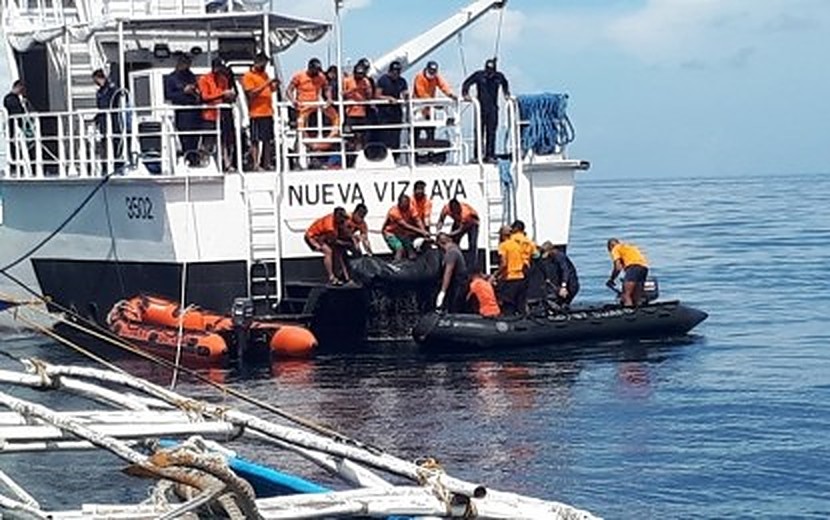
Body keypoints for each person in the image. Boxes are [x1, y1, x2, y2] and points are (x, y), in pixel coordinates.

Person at [462, 58, 510, 163]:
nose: (489, 74)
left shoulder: (499, 76)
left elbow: (505, 84)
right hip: (480, 108)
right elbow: (467, 83)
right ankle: (477, 155)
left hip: (493, 108)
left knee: (491, 132)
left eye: (491, 71)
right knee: (479, 131)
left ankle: (490, 155)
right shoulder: (479, 75)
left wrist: (506, 94)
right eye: (488, 71)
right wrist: (465, 94)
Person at [241, 53, 279, 170]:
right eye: (262, 63)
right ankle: (256, 164)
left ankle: (266, 163)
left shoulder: (265, 75)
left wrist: (274, 86)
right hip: (256, 113)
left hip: (268, 111)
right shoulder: (248, 76)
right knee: (255, 140)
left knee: (268, 139)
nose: (264, 66)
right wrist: (266, 84)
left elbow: (269, 90)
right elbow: (251, 94)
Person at [198, 57, 236, 171]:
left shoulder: (223, 79)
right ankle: (203, 162)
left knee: (224, 140)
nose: (219, 71)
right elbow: (205, 96)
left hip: (222, 114)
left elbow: (226, 95)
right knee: (208, 141)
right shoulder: (204, 79)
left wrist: (230, 96)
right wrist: (222, 94)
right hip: (209, 115)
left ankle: (226, 163)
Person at [164, 54, 202, 166]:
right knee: (185, 138)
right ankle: (187, 159)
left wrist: (196, 92)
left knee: (195, 137)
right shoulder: (172, 78)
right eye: (186, 63)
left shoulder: (191, 76)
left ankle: (194, 159)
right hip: (183, 113)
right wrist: (184, 91)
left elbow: (197, 89)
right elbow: (169, 95)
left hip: (194, 111)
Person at [286, 58, 339, 137]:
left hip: (314, 106)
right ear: (310, 68)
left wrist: (329, 98)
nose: (317, 72)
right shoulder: (299, 76)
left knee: (314, 128)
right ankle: (299, 145)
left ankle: (317, 145)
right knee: (301, 129)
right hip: (302, 107)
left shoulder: (321, 77)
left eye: (318, 70)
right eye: (315, 70)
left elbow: (326, 88)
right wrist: (293, 100)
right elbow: (289, 90)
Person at [412, 60, 456, 144]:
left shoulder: (436, 77)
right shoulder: (419, 77)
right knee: (416, 131)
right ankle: (415, 153)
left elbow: (443, 86)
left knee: (431, 130)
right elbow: (421, 93)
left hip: (429, 109)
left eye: (434, 72)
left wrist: (450, 94)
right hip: (418, 108)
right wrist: (434, 103)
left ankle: (430, 153)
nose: (432, 74)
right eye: (431, 71)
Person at [305, 207, 350, 285]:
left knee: (337, 252)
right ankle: (331, 277)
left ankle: (339, 274)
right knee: (328, 251)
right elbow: (333, 240)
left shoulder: (337, 220)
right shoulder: (330, 227)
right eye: (341, 219)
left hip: (323, 236)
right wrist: (345, 244)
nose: (343, 221)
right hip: (312, 237)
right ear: (336, 217)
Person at [92, 69, 126, 172]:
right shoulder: (99, 92)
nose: (97, 82)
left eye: (97, 80)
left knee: (116, 142)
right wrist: (96, 119)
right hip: (103, 121)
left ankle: (117, 165)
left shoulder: (111, 89)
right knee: (104, 143)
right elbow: (100, 107)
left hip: (113, 120)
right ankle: (105, 166)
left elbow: (116, 98)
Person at [375, 61, 408, 158]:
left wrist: (406, 96)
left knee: (396, 135)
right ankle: (384, 156)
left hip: (396, 112)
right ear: (390, 71)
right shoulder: (383, 80)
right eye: (394, 71)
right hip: (384, 113)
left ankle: (395, 156)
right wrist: (388, 98)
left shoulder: (402, 81)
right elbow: (377, 95)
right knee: (385, 135)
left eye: (398, 72)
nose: (396, 74)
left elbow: (405, 92)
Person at [383, 193, 427, 260]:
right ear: (399, 203)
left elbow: (417, 220)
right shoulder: (393, 212)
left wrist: (424, 231)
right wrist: (421, 231)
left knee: (410, 248)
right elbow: (405, 225)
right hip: (391, 233)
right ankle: (396, 266)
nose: (406, 207)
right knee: (399, 248)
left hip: (402, 233)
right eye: (404, 205)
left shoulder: (410, 208)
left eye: (407, 205)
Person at [437, 198, 480, 268]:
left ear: (459, 208)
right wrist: (438, 230)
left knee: (472, 244)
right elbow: (441, 220)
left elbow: (460, 230)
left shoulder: (465, 213)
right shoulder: (446, 208)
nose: (455, 213)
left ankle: (472, 266)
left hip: (472, 223)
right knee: (453, 241)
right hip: (458, 221)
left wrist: (448, 234)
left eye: (457, 212)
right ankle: (455, 261)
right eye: (453, 212)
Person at [607, 238, 649, 307]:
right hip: (644, 267)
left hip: (633, 267)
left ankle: (628, 314)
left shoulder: (615, 249)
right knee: (637, 296)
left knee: (626, 295)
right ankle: (638, 313)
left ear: (610, 247)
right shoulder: (629, 247)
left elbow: (618, 267)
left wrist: (612, 279)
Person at [342, 62, 374, 151]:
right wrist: (352, 90)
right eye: (358, 74)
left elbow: (369, 96)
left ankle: (360, 151)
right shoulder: (347, 80)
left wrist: (366, 90)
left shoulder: (366, 81)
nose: (359, 76)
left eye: (361, 74)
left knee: (361, 135)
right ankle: (349, 152)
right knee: (349, 135)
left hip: (362, 113)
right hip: (350, 112)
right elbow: (342, 94)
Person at [496, 225, 527, 315]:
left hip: (510, 279)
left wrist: (496, 275)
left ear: (503, 235)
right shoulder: (517, 245)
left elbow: (504, 264)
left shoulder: (503, 246)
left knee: (508, 306)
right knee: (521, 307)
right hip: (521, 278)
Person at [540, 241, 580, 306]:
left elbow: (565, 270)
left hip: (570, 281)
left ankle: (564, 305)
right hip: (562, 280)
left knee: (566, 297)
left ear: (549, 251)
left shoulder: (560, 256)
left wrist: (563, 286)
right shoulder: (551, 257)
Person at [435, 232, 468, 313]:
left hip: (457, 286)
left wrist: (442, 292)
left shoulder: (451, 253)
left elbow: (448, 273)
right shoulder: (456, 249)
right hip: (461, 284)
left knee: (454, 310)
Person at [3, 80, 28, 175]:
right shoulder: (9, 98)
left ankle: (19, 164)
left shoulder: (14, 98)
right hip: (12, 126)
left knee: (16, 146)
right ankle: (14, 165)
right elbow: (15, 111)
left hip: (16, 126)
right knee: (13, 145)